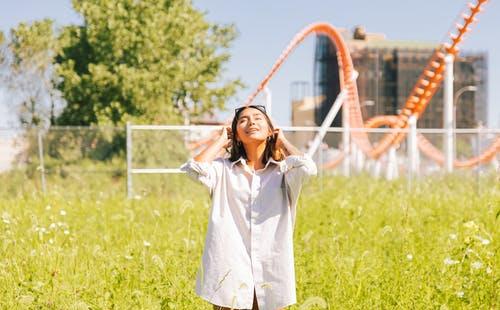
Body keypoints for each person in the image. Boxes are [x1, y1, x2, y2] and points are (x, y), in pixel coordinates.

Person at [180, 104, 317, 310]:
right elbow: (193, 169)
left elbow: (308, 168)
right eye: (243, 120)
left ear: (271, 130)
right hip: (229, 263)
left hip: (272, 266)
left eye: (258, 118)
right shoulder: (222, 169)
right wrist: (220, 141)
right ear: (235, 134)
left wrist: (283, 141)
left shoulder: (284, 172)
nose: (251, 122)